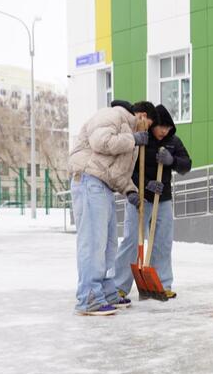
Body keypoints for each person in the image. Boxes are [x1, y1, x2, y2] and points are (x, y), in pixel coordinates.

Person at [67, 100, 157, 316]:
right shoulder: (113, 115)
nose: (148, 131)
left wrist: (130, 190)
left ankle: (106, 291)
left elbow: (118, 173)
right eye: (150, 124)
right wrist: (132, 139)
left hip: (103, 185)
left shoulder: (131, 138)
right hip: (89, 180)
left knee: (108, 245)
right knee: (93, 242)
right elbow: (100, 142)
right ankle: (88, 296)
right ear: (142, 116)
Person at [113, 104, 192, 300]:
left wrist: (172, 160)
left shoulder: (173, 141)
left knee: (163, 242)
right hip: (138, 197)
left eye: (168, 127)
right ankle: (119, 286)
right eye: (160, 126)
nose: (164, 131)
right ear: (153, 124)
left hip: (163, 200)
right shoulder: (142, 139)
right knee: (132, 240)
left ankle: (162, 284)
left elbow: (187, 165)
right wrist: (146, 184)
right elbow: (129, 169)